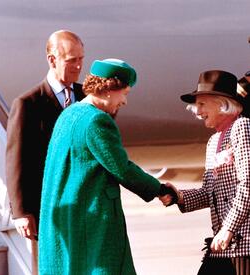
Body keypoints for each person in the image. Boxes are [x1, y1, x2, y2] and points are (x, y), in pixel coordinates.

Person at [38, 58, 177, 275]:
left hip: (69, 217)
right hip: (91, 220)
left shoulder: (69, 114)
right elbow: (121, 168)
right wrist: (160, 190)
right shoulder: (96, 121)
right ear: (110, 89)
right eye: (125, 93)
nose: (125, 102)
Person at [6, 29, 85, 274]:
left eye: (81, 59)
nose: (79, 66)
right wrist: (20, 211)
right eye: (72, 60)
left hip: (83, 205)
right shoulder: (28, 103)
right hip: (46, 208)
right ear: (52, 60)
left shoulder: (86, 97)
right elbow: (16, 159)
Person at [160, 70, 250, 275]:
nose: (197, 112)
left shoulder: (242, 127)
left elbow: (248, 184)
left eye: (202, 104)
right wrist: (179, 196)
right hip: (224, 243)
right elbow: (210, 193)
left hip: (243, 242)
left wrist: (229, 228)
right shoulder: (213, 142)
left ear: (221, 103)